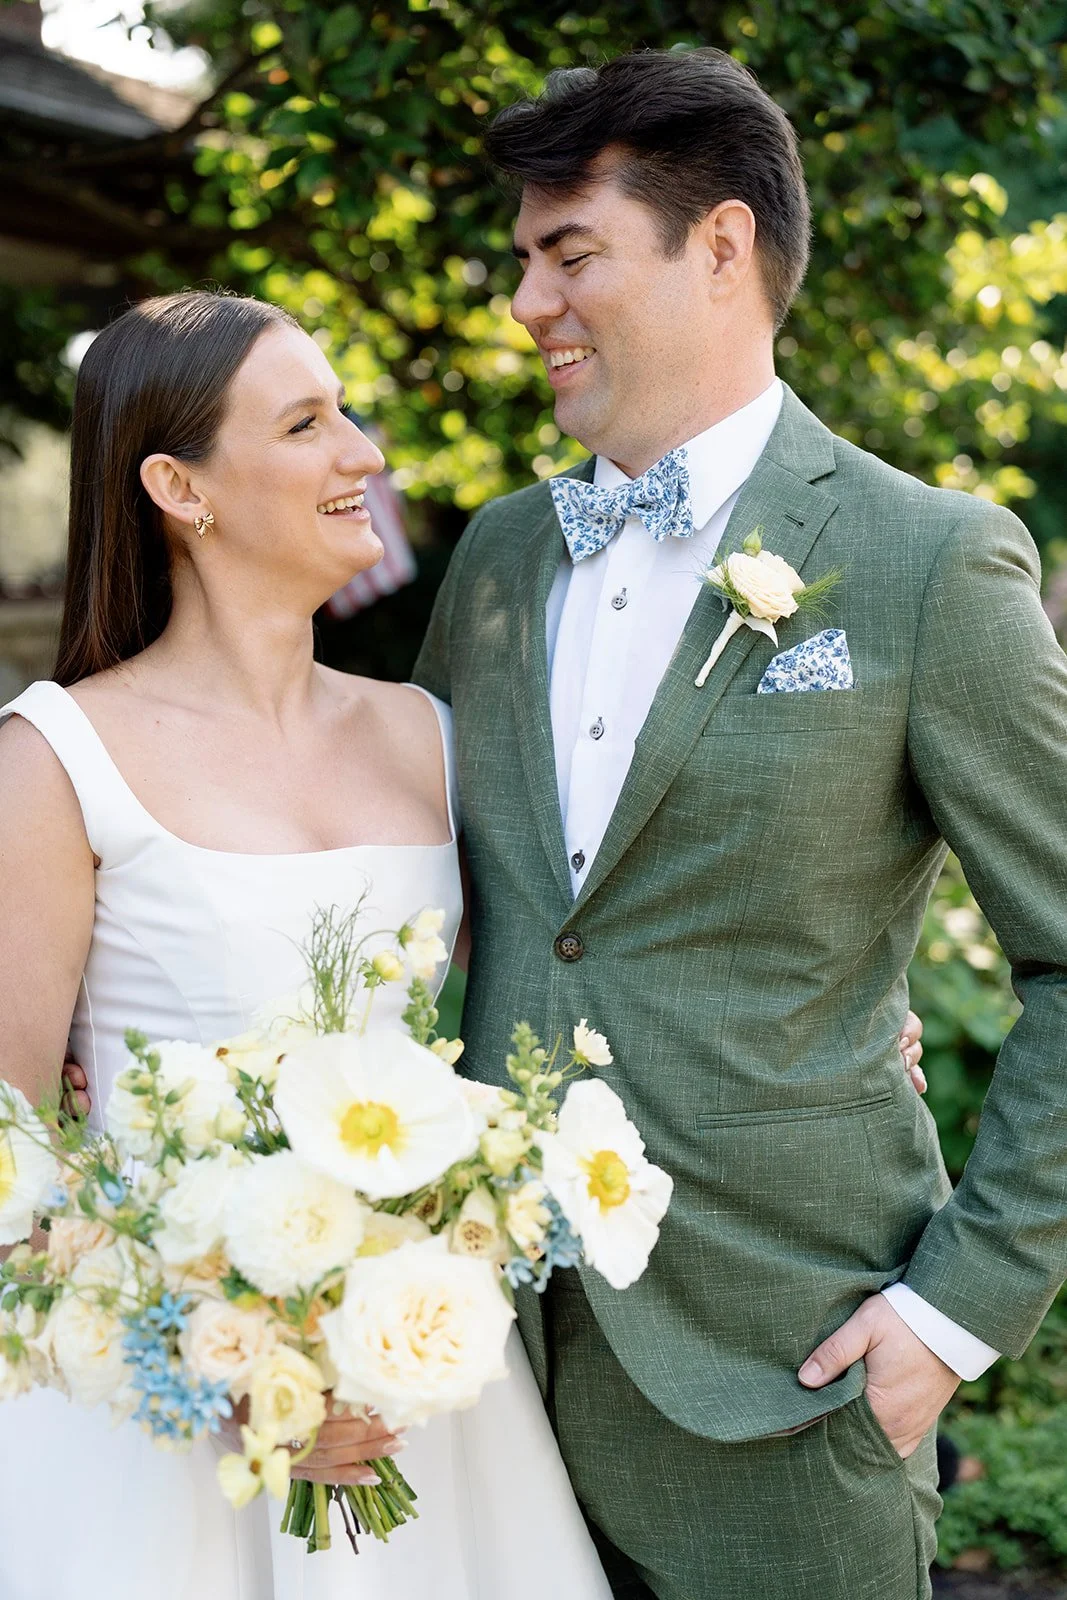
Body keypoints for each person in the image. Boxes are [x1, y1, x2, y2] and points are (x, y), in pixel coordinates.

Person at [410, 47, 1067, 1600]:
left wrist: (954, 1313)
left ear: (719, 246)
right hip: (469, 1373)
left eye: (570, 254)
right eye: (521, 260)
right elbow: (404, 897)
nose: (525, 303)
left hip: (786, 1375)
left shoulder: (926, 562)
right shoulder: (496, 561)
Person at [0, 290, 614, 1600]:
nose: (366, 455)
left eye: (347, 413)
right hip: (154, 1423)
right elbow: (9, 1150)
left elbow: (584, 957)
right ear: (180, 486)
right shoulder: (55, 761)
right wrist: (214, 1367)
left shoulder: (431, 736)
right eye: (307, 423)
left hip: (420, 1392)